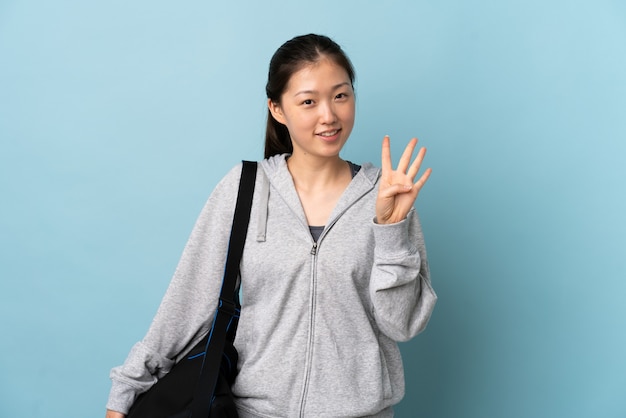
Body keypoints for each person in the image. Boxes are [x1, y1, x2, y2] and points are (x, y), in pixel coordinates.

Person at [105, 33, 437, 418]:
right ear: (277, 109)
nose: (328, 115)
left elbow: (403, 325)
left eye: (341, 96)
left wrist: (391, 229)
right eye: (309, 101)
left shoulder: (386, 194)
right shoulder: (244, 188)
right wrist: (129, 390)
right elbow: (188, 302)